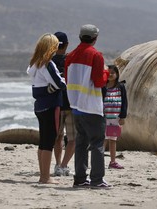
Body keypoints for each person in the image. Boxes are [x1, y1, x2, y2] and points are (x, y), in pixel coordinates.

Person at [65, 24, 111, 189]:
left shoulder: (70, 56)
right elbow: (99, 81)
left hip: (76, 105)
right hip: (91, 105)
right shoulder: (96, 55)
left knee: (81, 143)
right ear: (95, 38)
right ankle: (97, 180)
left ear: (80, 37)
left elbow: (68, 80)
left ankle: (80, 178)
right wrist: (106, 72)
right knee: (97, 143)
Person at [28, 33, 66, 184]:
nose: (57, 47)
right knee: (49, 141)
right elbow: (60, 84)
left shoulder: (35, 63)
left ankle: (43, 175)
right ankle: (45, 177)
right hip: (50, 105)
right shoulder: (48, 64)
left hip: (40, 107)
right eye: (56, 44)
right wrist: (64, 81)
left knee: (44, 140)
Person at [52, 31, 75, 177]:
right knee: (73, 138)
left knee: (57, 137)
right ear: (66, 44)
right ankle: (64, 165)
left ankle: (57, 164)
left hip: (56, 105)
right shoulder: (72, 60)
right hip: (72, 104)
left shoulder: (48, 61)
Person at [102, 65, 128, 169]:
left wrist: (122, 116)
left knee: (113, 139)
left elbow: (124, 102)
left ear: (117, 74)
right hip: (104, 117)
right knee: (103, 139)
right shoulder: (103, 86)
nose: (111, 74)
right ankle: (99, 161)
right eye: (109, 72)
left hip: (115, 118)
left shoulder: (120, 86)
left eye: (113, 72)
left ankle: (112, 162)